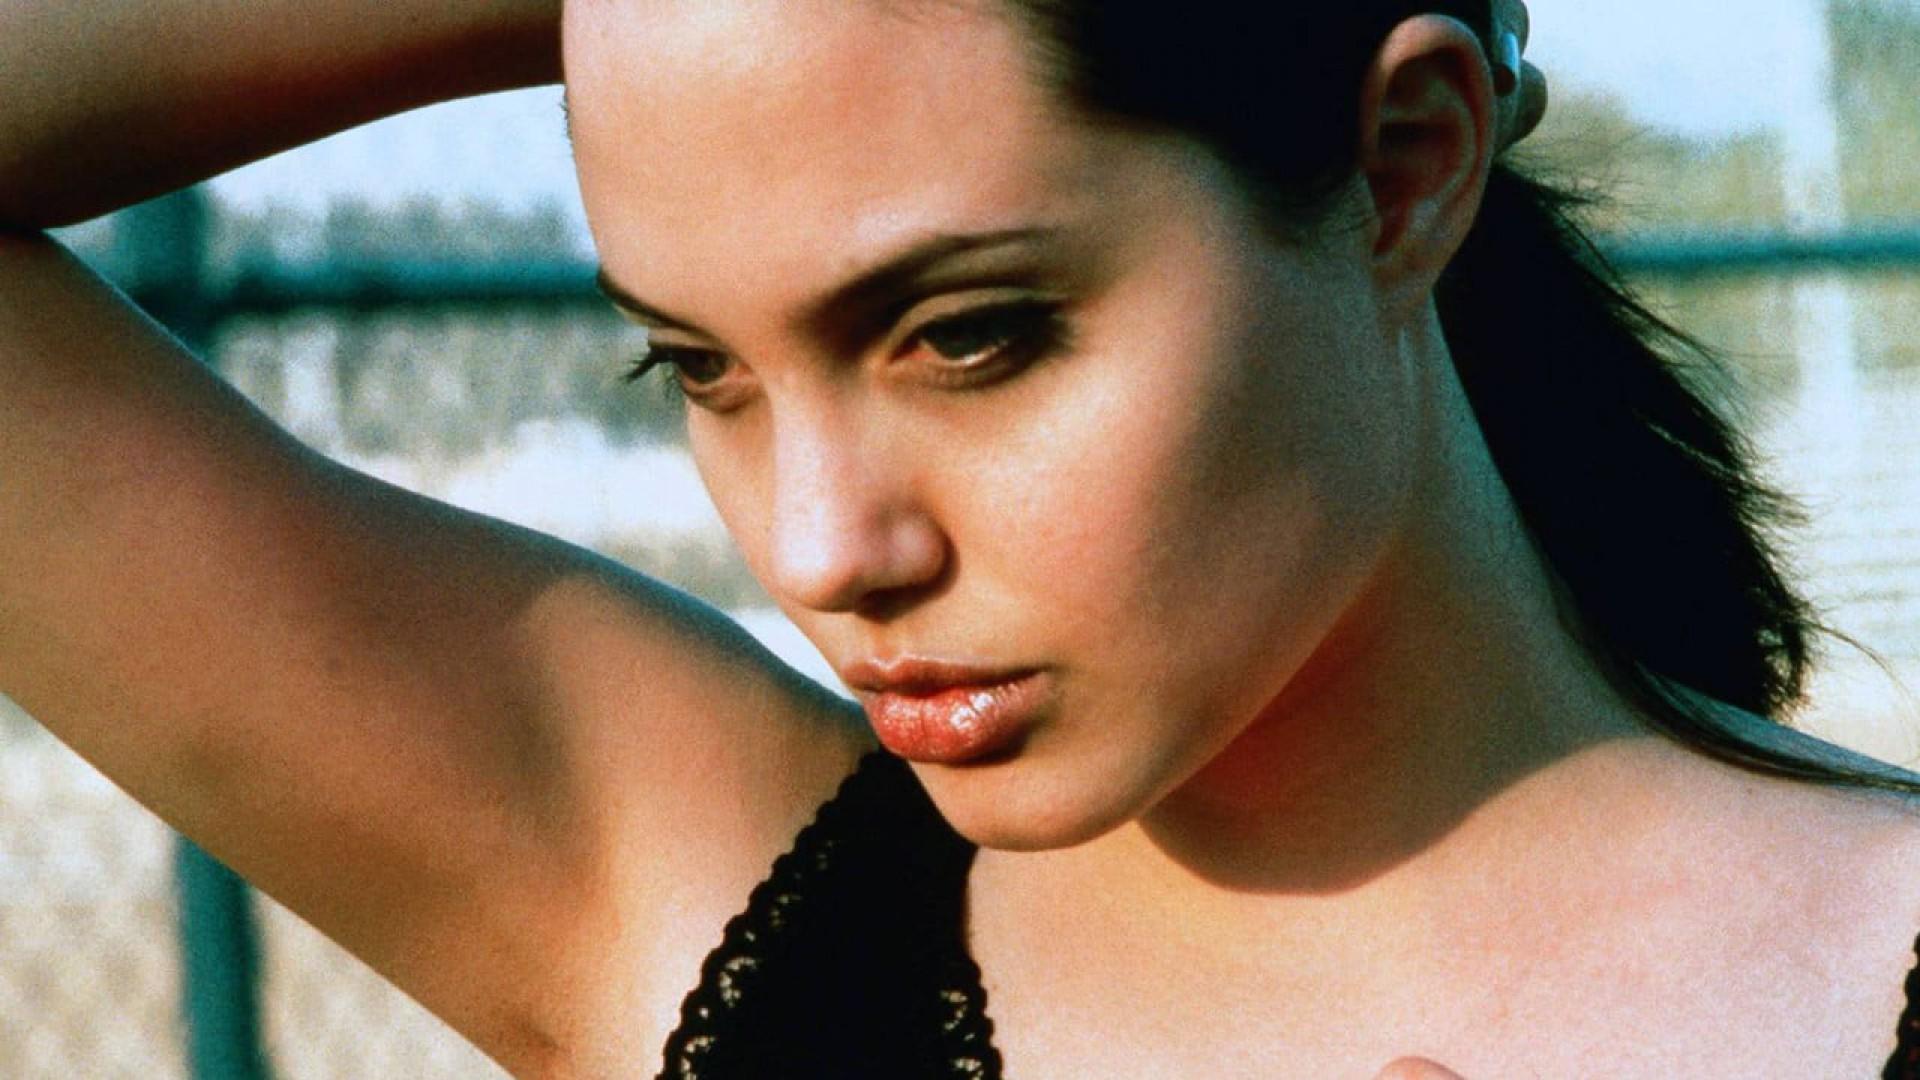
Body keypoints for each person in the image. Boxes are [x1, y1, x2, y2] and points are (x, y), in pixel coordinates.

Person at [3, 0, 1919, 1076]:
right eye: (703, 370)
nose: (821, 549)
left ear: (1408, 171)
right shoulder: (673, 898)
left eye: (971, 337)